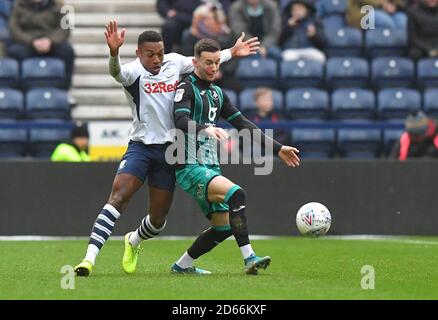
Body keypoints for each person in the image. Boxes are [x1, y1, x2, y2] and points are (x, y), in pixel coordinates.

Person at [73, 20, 260, 276]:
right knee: (118, 198)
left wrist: (232, 52)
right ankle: (88, 260)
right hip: (141, 147)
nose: (157, 59)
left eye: (160, 53)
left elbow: (203, 60)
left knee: (158, 222)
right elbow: (115, 73)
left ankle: (134, 240)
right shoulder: (131, 72)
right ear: (139, 53)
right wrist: (114, 53)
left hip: (170, 151)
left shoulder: (174, 62)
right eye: (150, 55)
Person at [169, 39, 300, 275]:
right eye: (208, 62)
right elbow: (180, 120)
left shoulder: (218, 93)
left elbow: (243, 124)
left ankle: (182, 265)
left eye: (217, 62)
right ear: (195, 61)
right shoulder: (185, 87)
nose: (213, 67)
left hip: (210, 166)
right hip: (188, 166)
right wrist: (204, 128)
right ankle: (249, 258)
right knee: (236, 194)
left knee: (224, 227)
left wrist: (278, 148)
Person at [7, 0, 75, 89]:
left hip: (51, 42)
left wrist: (51, 41)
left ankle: (65, 88)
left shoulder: (60, 6)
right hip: (28, 43)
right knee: (15, 51)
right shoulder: (18, 5)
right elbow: (13, 29)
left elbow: (66, 29)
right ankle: (19, 90)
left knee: (67, 51)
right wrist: (31, 41)